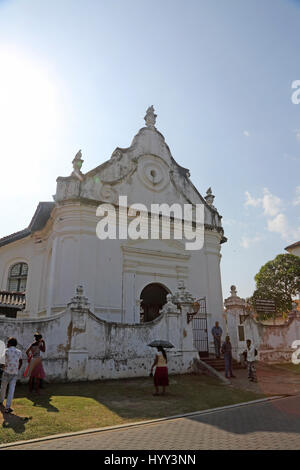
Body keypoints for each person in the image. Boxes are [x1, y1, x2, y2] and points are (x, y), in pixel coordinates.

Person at [0, 337, 23, 413]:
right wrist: (17, 368)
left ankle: (1, 400)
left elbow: (2, 361)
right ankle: (7, 407)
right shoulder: (19, 352)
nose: (7, 344)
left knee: (3, 388)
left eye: (7, 342)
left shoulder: (6, 350)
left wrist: (3, 367)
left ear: (9, 344)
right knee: (11, 391)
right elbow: (20, 361)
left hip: (6, 372)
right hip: (14, 374)